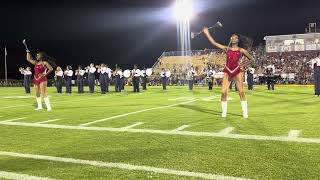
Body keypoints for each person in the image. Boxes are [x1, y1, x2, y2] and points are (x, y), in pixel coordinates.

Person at [203, 27, 254, 118]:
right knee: (223, 92)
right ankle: (224, 113)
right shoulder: (227, 48)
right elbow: (214, 43)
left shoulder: (241, 50)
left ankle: (245, 112)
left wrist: (242, 65)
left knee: (241, 91)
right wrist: (207, 33)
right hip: (227, 70)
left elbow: (252, 59)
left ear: (238, 40)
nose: (233, 38)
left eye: (235, 37)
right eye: (232, 37)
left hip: (237, 71)